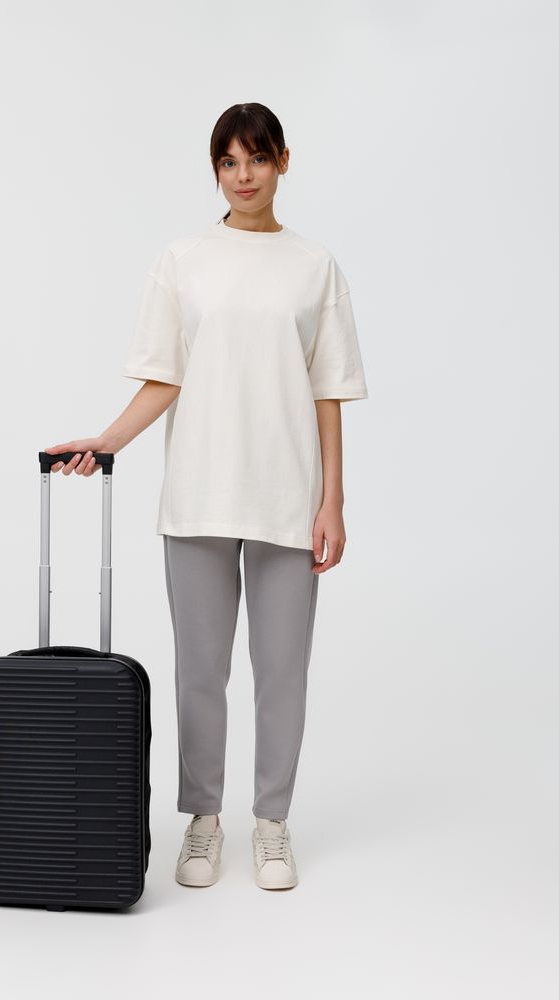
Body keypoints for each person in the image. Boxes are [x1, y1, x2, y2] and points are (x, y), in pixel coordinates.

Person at [45, 102, 369, 892]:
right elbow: (166, 375)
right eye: (229, 162)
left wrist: (333, 501)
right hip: (199, 493)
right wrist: (106, 441)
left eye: (257, 158)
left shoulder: (315, 266)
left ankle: (272, 823)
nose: (244, 175)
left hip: (288, 496)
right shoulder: (183, 260)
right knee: (200, 672)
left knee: (282, 672)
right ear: (216, 170)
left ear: (283, 161)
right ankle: (203, 819)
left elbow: (327, 391)